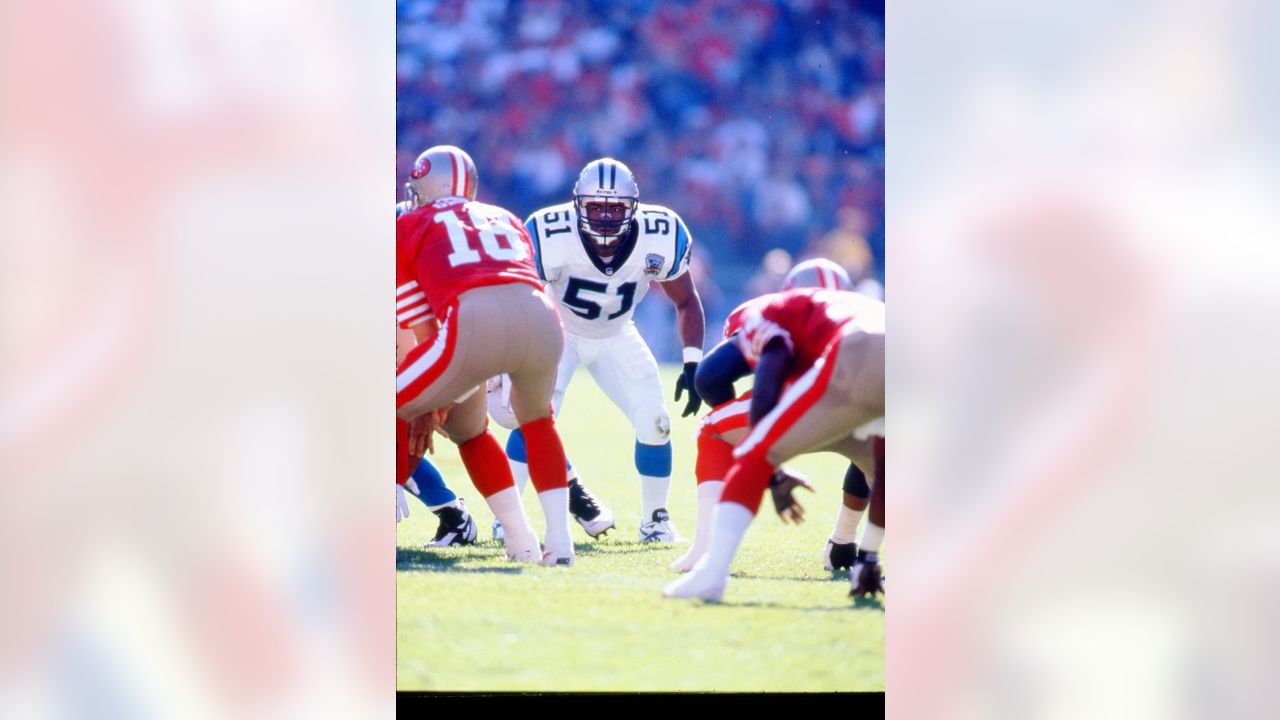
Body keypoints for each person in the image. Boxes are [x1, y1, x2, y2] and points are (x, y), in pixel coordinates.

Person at [396, 144, 575, 566]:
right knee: (533, 422)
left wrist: (427, 402)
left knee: (387, 408)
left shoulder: (409, 224)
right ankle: (549, 544)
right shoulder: (506, 217)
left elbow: (425, 330)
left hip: (472, 322)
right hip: (544, 320)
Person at [513, 158, 706, 542]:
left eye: (615, 208)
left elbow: (686, 300)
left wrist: (692, 362)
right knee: (531, 418)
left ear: (633, 207)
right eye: (595, 207)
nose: (604, 217)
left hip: (616, 334)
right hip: (557, 332)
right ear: (577, 206)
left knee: (655, 419)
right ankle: (510, 518)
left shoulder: (661, 233)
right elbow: (521, 298)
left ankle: (656, 521)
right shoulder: (548, 231)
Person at [663, 287, 884, 600]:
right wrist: (870, 553)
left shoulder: (773, 311)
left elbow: (727, 372)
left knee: (754, 452)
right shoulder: (862, 305)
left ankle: (711, 572)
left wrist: (773, 468)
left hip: (854, 354)